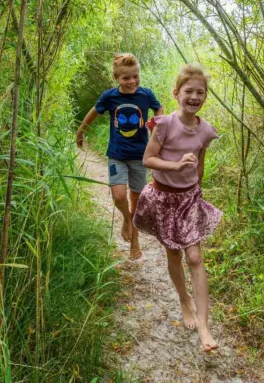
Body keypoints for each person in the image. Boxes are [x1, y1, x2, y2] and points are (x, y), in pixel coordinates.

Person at [134, 64, 221, 352]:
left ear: (205, 97)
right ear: (176, 94)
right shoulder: (165, 124)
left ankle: (205, 329)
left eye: (201, 92)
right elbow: (148, 160)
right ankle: (184, 299)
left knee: (195, 257)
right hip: (163, 197)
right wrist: (175, 165)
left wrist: (197, 186)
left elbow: (200, 164)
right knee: (173, 253)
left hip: (189, 199)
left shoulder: (206, 130)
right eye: (189, 91)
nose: (195, 96)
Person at [76, 53, 163, 259]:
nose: (132, 81)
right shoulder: (110, 97)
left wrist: (158, 126)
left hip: (140, 156)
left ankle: (135, 239)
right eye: (126, 78)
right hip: (117, 154)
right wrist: (81, 130)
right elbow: (94, 112)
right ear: (116, 78)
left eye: (135, 76)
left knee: (137, 198)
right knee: (118, 196)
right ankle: (127, 219)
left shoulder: (146, 95)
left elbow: (158, 108)